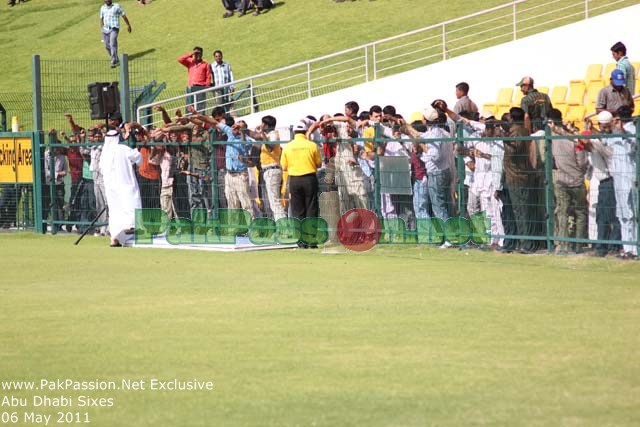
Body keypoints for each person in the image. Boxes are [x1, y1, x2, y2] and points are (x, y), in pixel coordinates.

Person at [548, 108, 588, 254]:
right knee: (580, 212)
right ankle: (578, 244)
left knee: (562, 212)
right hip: (576, 179)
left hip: (561, 180)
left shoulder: (552, 138)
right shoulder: (573, 138)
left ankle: (564, 245)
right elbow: (582, 161)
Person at [280, 120, 322, 248]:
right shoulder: (312, 145)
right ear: (305, 132)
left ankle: (301, 241)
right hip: (309, 178)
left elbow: (284, 167)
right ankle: (312, 240)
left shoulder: (288, 146)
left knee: (298, 211)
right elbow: (319, 164)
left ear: (294, 132)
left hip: (295, 180)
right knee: (311, 209)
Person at [100, 129, 142, 247]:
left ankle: (115, 238)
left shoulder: (104, 153)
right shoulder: (123, 149)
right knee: (131, 202)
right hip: (125, 182)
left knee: (115, 211)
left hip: (110, 187)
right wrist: (134, 147)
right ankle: (130, 226)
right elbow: (138, 158)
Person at [178, 47, 212, 113]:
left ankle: (201, 119)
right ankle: (189, 119)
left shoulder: (205, 64)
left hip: (200, 87)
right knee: (189, 104)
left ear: (202, 54)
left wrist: (206, 86)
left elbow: (208, 77)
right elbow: (180, 59)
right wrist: (191, 54)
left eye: (198, 53)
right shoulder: (190, 62)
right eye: (195, 53)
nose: (197, 55)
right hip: (190, 87)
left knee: (200, 105)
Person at [100, 0, 132, 69]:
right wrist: (102, 29)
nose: (107, 0)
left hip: (114, 28)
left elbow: (123, 15)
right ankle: (116, 58)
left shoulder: (116, 6)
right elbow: (101, 19)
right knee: (106, 45)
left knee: (112, 44)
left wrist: (128, 25)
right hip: (105, 29)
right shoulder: (102, 8)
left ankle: (113, 61)